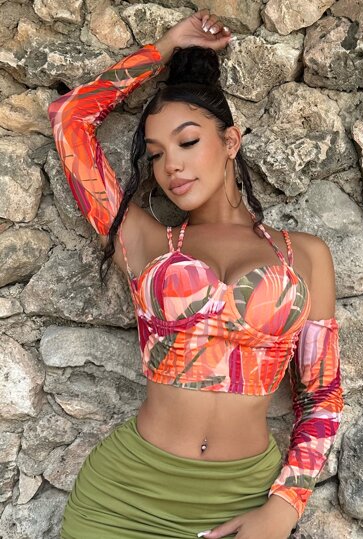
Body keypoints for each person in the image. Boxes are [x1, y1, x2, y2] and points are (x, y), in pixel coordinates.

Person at [48, 8, 344, 539]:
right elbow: (71, 119)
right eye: (156, 154)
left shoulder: (305, 255)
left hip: (242, 499)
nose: (172, 166)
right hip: (125, 498)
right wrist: (164, 47)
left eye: (188, 142)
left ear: (230, 142)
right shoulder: (144, 240)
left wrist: (285, 507)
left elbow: (321, 396)